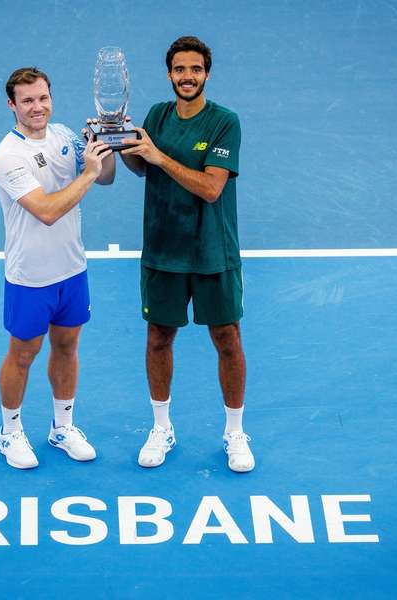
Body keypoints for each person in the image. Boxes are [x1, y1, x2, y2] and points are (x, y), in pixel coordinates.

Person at [120, 36, 254, 472]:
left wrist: (158, 156)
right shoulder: (157, 115)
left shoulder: (224, 122)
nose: (187, 77)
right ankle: (162, 427)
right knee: (159, 337)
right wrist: (119, 142)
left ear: (207, 74)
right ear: (169, 74)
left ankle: (235, 432)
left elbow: (212, 188)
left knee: (227, 339)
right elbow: (142, 166)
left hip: (213, 251)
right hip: (163, 249)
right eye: (180, 70)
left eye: (195, 69)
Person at [0, 67, 114, 469]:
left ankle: (62, 428)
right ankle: (10, 433)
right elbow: (47, 211)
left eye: (42, 97)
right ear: (12, 105)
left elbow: (108, 178)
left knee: (67, 346)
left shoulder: (64, 136)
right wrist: (89, 174)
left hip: (72, 269)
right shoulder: (9, 156)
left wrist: (102, 147)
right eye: (27, 100)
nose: (36, 106)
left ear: (51, 97)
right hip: (30, 277)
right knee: (23, 354)